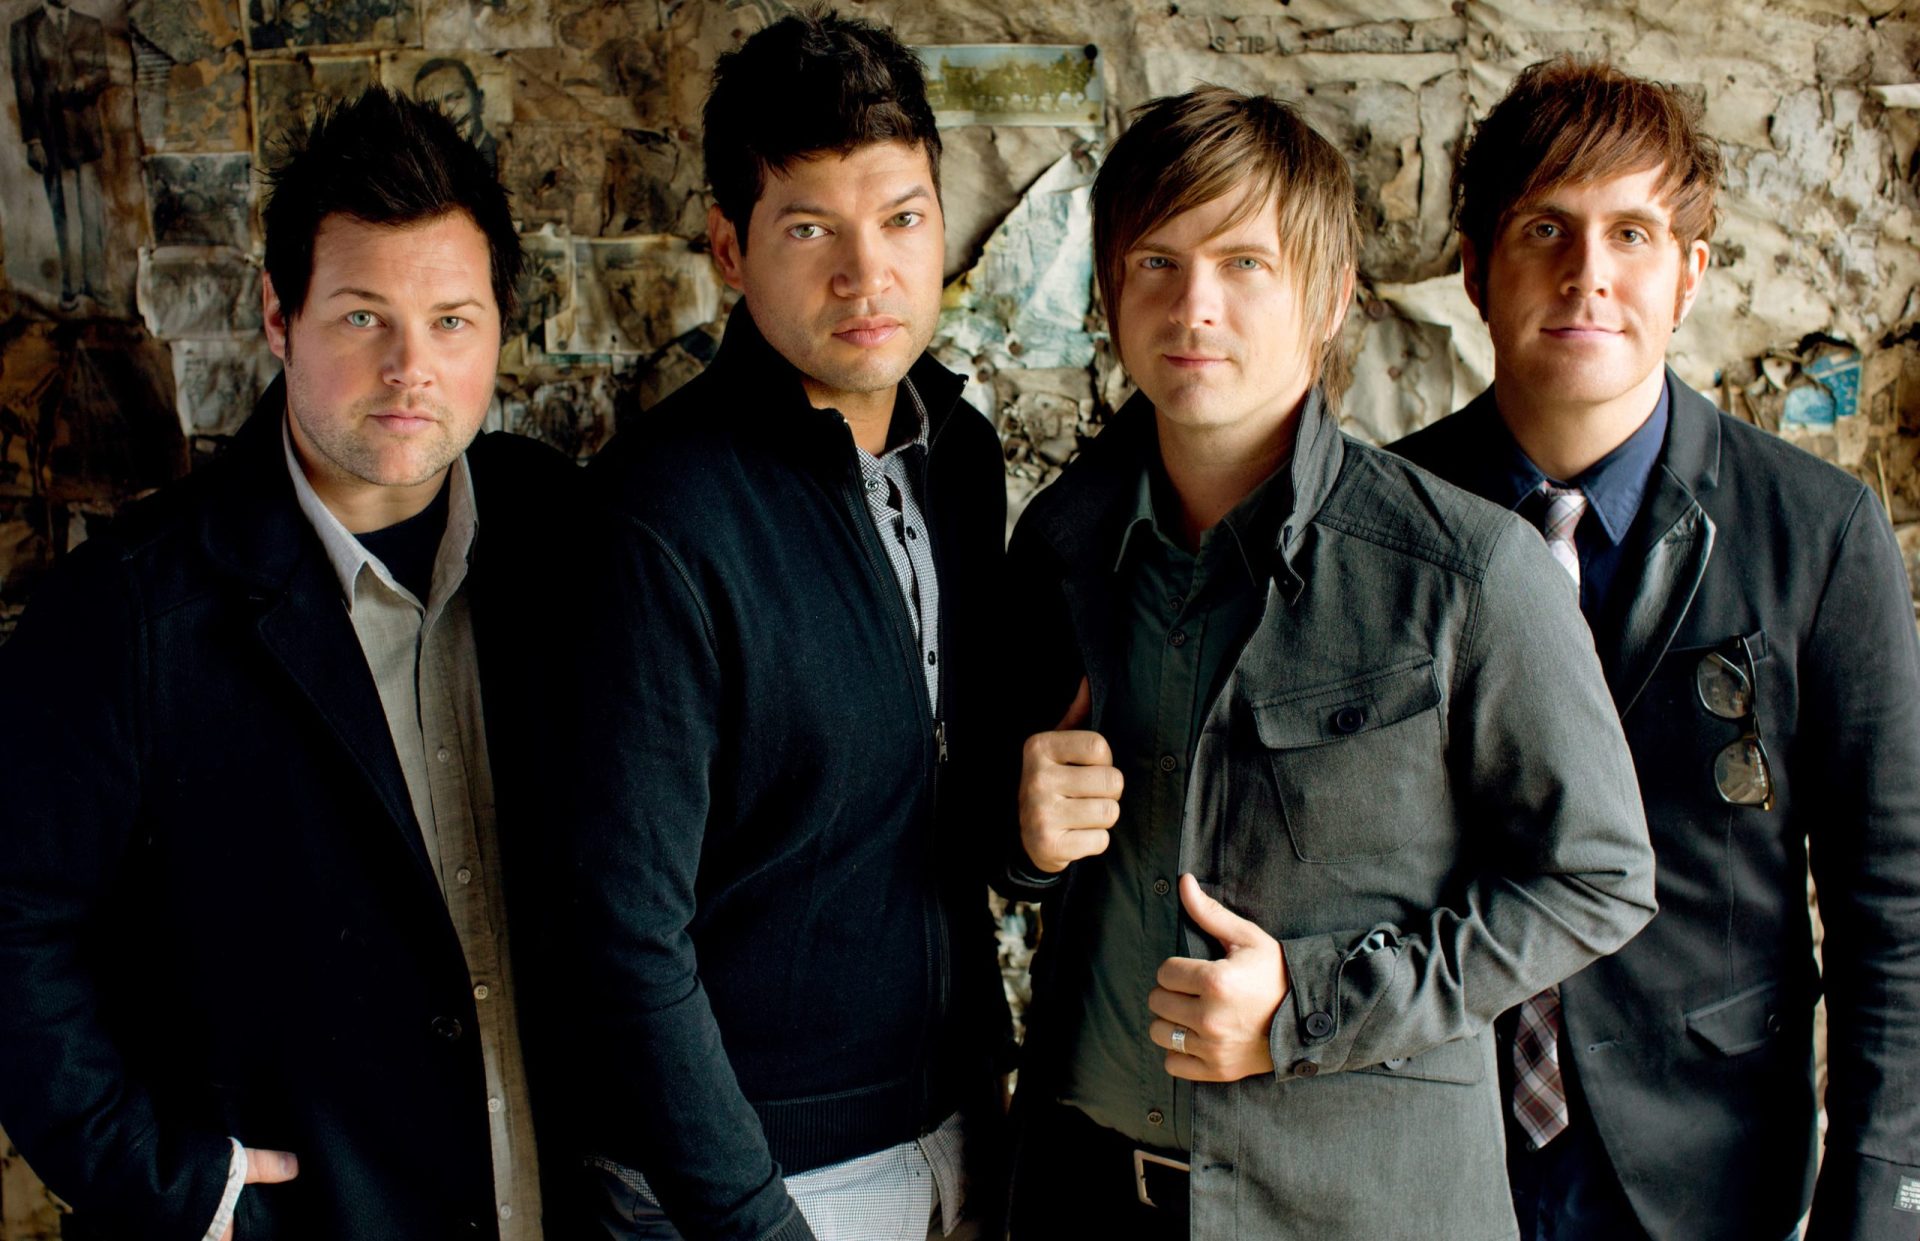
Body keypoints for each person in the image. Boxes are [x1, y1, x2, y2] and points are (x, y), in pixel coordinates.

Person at [999, 84, 1657, 1239]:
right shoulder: (1060, 544)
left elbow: (1598, 877)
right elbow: (1015, 850)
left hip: (1361, 1210)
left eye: (1244, 263)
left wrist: (1309, 1004)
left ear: (1330, 296)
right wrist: (1024, 838)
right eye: (1156, 262)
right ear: (1109, 293)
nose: (1194, 305)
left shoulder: (1467, 569)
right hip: (1086, 1196)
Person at [0, 87, 570, 1240]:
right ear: (278, 314)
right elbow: (10, 923)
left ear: (500, 325)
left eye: (452, 321)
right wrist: (165, 1180)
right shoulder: (129, 609)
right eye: (363, 317)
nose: (412, 365)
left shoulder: (569, 539)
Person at [1392, 56, 1920, 1241]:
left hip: (1708, 1168)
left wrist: (1886, 1199)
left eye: (1631, 233)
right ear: (1474, 268)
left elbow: (1896, 905)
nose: (1587, 273)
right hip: (1431, 1147)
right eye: (1545, 228)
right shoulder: (1383, 518)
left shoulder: (1821, 533)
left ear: (1688, 273)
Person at [530, 11, 1012, 1240]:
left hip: (955, 1128)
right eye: (810, 229)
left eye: (901, 217)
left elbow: (926, 798)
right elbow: (623, 935)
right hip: (750, 1180)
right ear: (728, 250)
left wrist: (1028, 843)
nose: (867, 274)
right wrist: (751, 1218)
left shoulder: (959, 457)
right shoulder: (655, 519)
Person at [10, 0, 111, 310]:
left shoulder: (89, 25)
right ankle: (70, 286)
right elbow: (24, 85)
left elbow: (103, 72)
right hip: (52, 137)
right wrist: (33, 140)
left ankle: (96, 284)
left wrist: (84, 83)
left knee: (93, 213)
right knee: (64, 215)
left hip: (86, 134)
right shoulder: (25, 30)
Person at [413, 57, 499, 174]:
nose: (444, 113)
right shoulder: (425, 171)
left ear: (480, 100)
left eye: (456, 97)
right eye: (431, 106)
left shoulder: (507, 157)